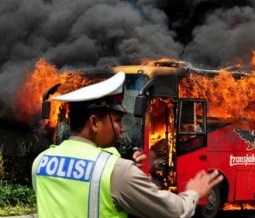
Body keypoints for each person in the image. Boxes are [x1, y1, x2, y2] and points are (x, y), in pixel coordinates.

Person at [31, 71, 223, 218]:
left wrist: (129, 171)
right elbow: (175, 211)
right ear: (94, 123)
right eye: (117, 121)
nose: (122, 129)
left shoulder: (40, 163)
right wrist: (194, 192)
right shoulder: (117, 172)